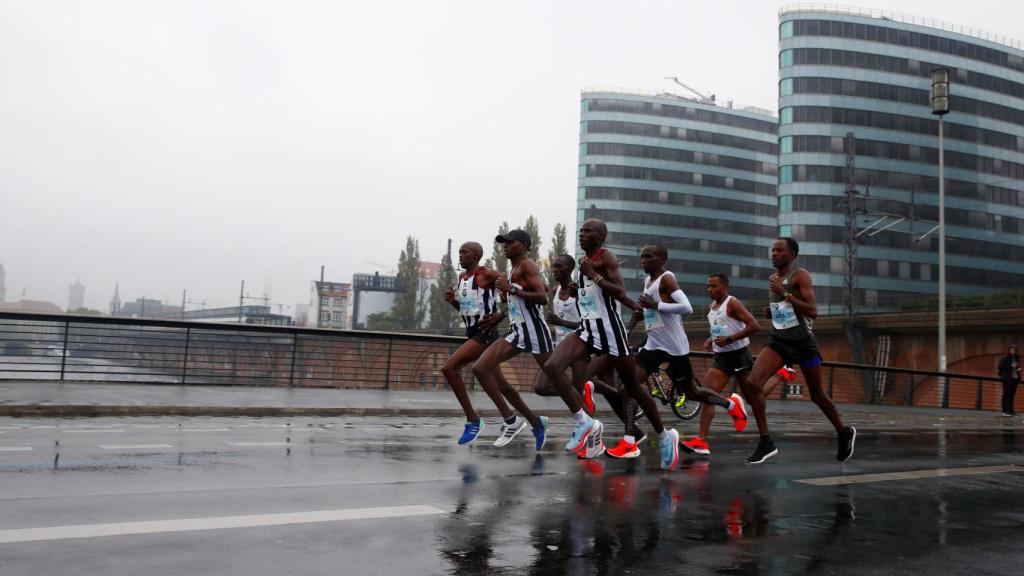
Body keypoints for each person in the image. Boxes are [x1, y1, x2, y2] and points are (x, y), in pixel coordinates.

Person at [541, 221, 676, 470]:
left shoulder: (605, 258)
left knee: (633, 388)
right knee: (552, 367)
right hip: (587, 329)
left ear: (601, 236)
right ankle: (584, 422)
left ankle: (666, 435)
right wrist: (577, 289)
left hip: (611, 332)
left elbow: (618, 290)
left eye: (588, 231)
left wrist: (594, 275)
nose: (582, 234)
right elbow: (592, 296)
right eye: (581, 231)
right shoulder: (585, 261)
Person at [739, 237, 856, 464]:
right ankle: (766, 442)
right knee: (752, 384)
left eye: (780, 250)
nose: (774, 254)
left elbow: (812, 311)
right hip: (779, 342)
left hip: (803, 345)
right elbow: (787, 311)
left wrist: (784, 294)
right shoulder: (773, 279)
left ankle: (844, 432)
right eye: (772, 250)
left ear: (792, 255)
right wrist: (773, 312)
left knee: (817, 394)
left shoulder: (799, 276)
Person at [470, 229, 551, 450]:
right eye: (503, 243)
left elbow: (543, 297)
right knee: (480, 368)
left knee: (558, 382)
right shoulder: (515, 269)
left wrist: (512, 289)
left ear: (524, 245)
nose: (505, 246)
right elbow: (541, 289)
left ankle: (587, 413)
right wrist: (502, 313)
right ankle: (516, 421)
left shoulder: (527, 264)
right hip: (517, 331)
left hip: (535, 330)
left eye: (509, 242)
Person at [439, 241, 511, 445]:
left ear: (477, 255)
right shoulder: (462, 278)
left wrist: (501, 315)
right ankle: (529, 421)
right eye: (459, 252)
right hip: (472, 332)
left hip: (485, 332)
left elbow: (513, 296)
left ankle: (473, 420)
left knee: (449, 368)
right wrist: (453, 302)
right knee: (500, 383)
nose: (460, 256)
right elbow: (468, 310)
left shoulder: (487, 274)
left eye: (465, 252)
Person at [680, 273, 760, 457]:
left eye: (714, 286)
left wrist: (730, 339)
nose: (710, 289)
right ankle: (701, 441)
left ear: (725, 287)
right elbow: (722, 327)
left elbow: (754, 325)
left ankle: (782, 374)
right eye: (708, 286)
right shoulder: (712, 307)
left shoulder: (732, 303)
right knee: (707, 395)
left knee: (753, 398)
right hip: (721, 358)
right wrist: (711, 339)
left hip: (740, 356)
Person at [998, 345, 1021, 416]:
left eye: (1014, 350)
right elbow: (1000, 367)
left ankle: (1011, 411)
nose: (1012, 351)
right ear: (1009, 350)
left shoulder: (1016, 358)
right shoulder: (1005, 358)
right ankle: (1004, 411)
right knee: (1006, 394)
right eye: (1011, 350)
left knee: (1012, 395)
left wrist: (1019, 369)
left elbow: (1017, 367)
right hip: (1007, 379)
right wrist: (1010, 366)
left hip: (1014, 378)